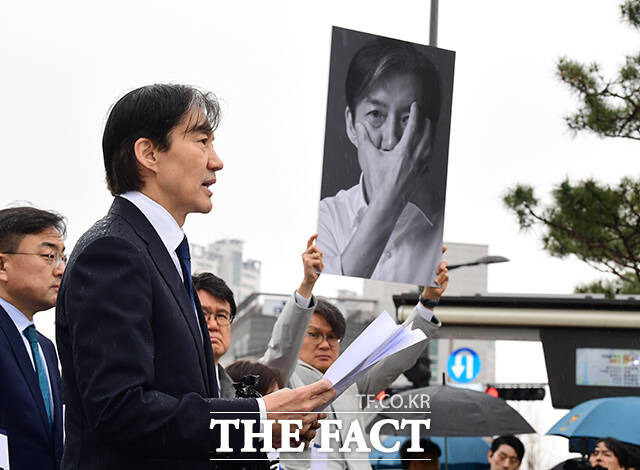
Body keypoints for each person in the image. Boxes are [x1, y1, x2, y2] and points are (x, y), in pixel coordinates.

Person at [55, 84, 334, 470]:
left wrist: (266, 430)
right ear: (148, 153)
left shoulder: (162, 253)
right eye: (202, 141)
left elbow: (184, 418)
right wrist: (256, 416)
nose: (216, 162)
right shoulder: (113, 251)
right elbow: (120, 409)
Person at [262, 239, 448, 469]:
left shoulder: (350, 383)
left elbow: (395, 360)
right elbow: (282, 348)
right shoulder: (280, 380)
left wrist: (427, 303)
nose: (325, 344)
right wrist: (307, 286)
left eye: (332, 337)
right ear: (299, 335)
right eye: (314, 334)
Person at [318, 38, 443, 286]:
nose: (391, 140)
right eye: (376, 115)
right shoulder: (327, 218)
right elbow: (323, 297)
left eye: (408, 119)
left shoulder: (444, 235)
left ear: (428, 135)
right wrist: (389, 200)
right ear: (351, 125)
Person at [193, 235, 325, 399]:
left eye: (221, 316)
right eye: (203, 315)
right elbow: (282, 352)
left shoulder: (233, 394)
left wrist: (307, 284)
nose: (213, 325)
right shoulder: (163, 382)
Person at [0, 206, 66, 469]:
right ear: (2, 265)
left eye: (63, 257)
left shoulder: (45, 347)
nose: (60, 269)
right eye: (49, 256)